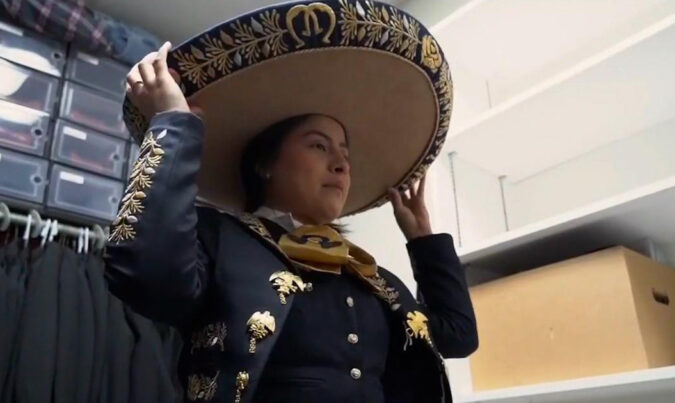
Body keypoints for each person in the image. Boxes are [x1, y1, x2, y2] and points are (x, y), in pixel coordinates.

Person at [104, 1, 476, 402]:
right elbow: (145, 274)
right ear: (265, 163)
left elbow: (456, 337)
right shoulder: (219, 239)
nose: (341, 164)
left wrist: (423, 240)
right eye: (319, 145)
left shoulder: (368, 276)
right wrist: (174, 123)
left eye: (345, 154)